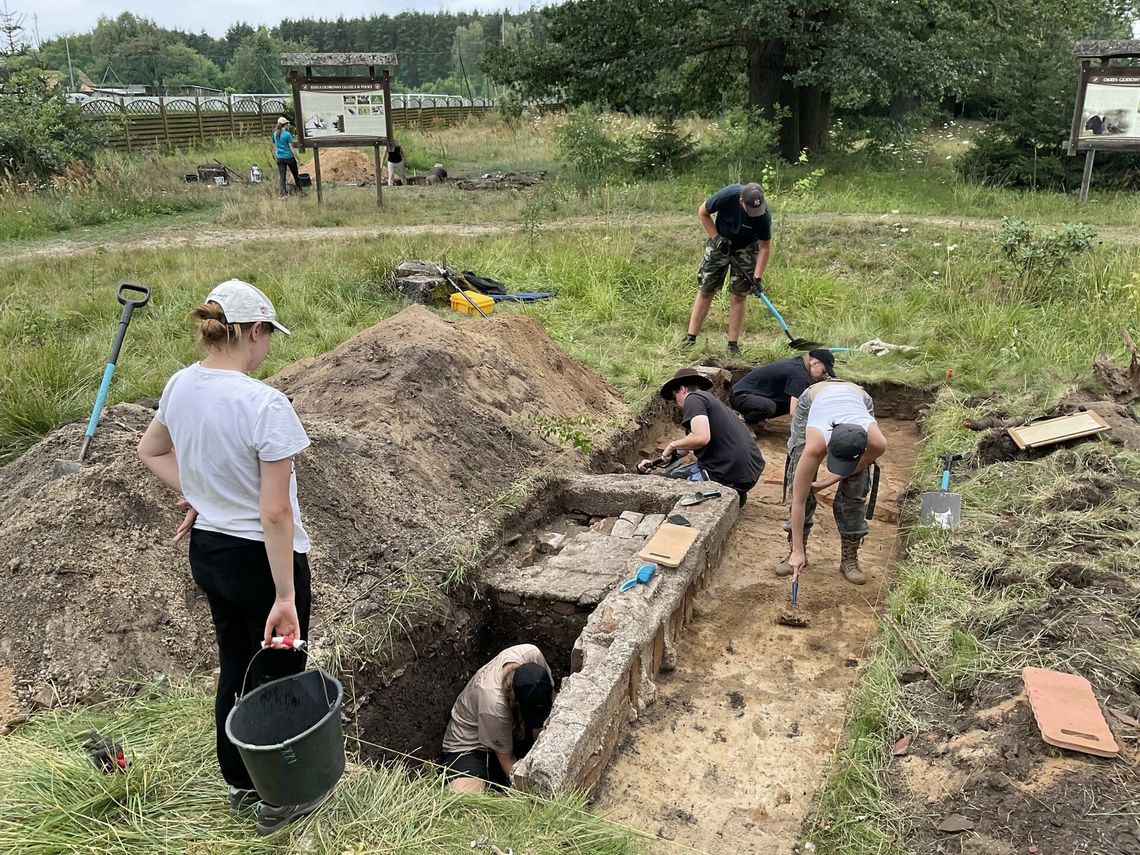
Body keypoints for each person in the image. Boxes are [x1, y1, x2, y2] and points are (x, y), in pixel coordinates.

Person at [137, 279, 326, 835]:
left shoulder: (180, 385)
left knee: (234, 667)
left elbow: (150, 450)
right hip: (262, 563)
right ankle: (282, 798)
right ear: (248, 330)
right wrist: (286, 595)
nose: (268, 345)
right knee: (279, 675)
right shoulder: (265, 404)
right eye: (267, 333)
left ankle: (240, 784)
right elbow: (274, 514)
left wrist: (199, 496)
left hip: (210, 553)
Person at [778, 380, 887, 586]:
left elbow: (855, 466)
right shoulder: (815, 444)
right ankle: (795, 549)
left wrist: (827, 482)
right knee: (800, 479)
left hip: (857, 398)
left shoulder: (877, 442)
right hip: (813, 400)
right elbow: (798, 500)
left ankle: (850, 556)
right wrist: (798, 552)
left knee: (857, 486)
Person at [639, 368, 765, 506]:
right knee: (672, 476)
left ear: (682, 389)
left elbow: (701, 438)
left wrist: (672, 445)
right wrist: (656, 462)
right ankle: (733, 494)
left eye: (675, 397)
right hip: (746, 473)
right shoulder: (710, 401)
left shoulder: (693, 399)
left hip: (728, 472)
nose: (676, 403)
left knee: (666, 488)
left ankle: (723, 492)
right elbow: (688, 447)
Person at [441, 644, 555, 792]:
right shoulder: (494, 706)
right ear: (515, 701)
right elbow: (508, 764)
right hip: (473, 746)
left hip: (512, 729)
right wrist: (531, 796)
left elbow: (554, 697)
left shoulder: (532, 654)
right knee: (465, 795)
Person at [683, 182, 773, 357]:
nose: (753, 213)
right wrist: (716, 238)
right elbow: (703, 212)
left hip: (747, 248)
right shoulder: (728, 195)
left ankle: (732, 345)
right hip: (720, 240)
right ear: (741, 201)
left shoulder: (763, 215)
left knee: (738, 295)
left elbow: (765, 247)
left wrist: (757, 277)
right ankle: (690, 338)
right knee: (706, 289)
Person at [731, 350, 835, 427]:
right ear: (814, 363)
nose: (823, 376)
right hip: (740, 395)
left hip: (751, 395)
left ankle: (756, 417)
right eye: (823, 371)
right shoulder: (799, 375)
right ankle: (744, 421)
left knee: (789, 402)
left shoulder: (800, 365)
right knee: (769, 407)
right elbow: (795, 412)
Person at [273, 117, 302, 196]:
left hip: (279, 158)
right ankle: (300, 191)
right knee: (296, 174)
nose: (288, 125)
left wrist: (277, 155)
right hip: (289, 157)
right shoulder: (287, 135)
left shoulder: (274, 134)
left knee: (282, 176)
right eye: (287, 124)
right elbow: (291, 148)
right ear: (284, 125)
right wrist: (298, 158)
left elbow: (275, 146)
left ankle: (283, 193)